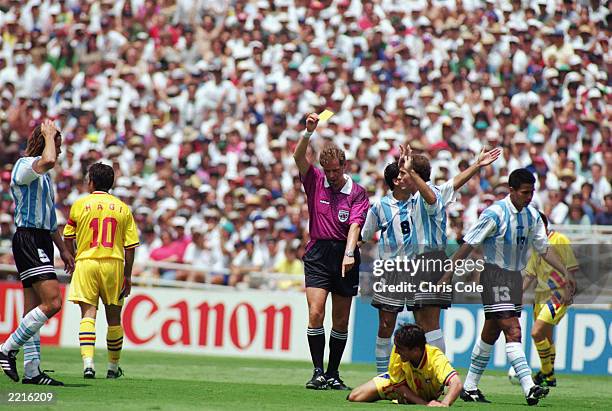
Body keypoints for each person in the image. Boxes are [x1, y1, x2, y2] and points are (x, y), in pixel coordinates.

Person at [362, 146, 501, 373]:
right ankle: (406, 376)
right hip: (413, 264)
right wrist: (476, 165)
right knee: (415, 325)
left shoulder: (429, 195)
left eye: (405, 172)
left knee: (430, 326)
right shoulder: (402, 201)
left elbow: (434, 194)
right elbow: (456, 181)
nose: (401, 176)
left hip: (430, 261)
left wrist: (413, 173)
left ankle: (440, 375)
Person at [443, 168, 575, 405]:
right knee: (513, 331)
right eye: (525, 192)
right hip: (494, 275)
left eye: (532, 192)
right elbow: (469, 243)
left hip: (514, 277)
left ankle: (470, 386)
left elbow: (544, 248)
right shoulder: (494, 213)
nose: (529, 197)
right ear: (512, 190)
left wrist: (564, 270)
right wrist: (449, 271)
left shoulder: (533, 216)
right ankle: (529, 387)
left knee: (491, 332)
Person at [293, 113, 369, 390]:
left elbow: (355, 225)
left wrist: (349, 253)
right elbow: (298, 158)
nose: (332, 176)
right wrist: (307, 133)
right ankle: (317, 371)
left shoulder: (357, 192)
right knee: (315, 312)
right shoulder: (314, 180)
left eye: (336, 171)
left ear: (344, 166)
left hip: (344, 254)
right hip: (318, 253)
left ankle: (334, 372)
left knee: (341, 319)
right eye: (329, 171)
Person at [0, 120, 75, 386]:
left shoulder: (45, 176)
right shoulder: (24, 166)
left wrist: (63, 250)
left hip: (41, 238)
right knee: (53, 302)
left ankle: (32, 372)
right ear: (46, 143)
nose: (60, 150)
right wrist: (48, 134)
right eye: (58, 144)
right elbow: (50, 160)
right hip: (29, 238)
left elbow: (49, 219)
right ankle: (6, 348)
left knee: (32, 310)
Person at [63, 163, 140, 379]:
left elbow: (68, 236)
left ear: (91, 182)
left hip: (86, 262)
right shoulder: (123, 208)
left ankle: (88, 364)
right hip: (113, 264)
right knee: (114, 318)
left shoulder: (80, 204)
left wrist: (70, 257)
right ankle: (113, 368)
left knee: (88, 314)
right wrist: (127, 275)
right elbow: (130, 247)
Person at [524, 212, 579, 387]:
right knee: (546, 337)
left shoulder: (559, 239)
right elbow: (530, 274)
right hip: (539, 297)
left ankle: (546, 372)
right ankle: (549, 376)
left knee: (536, 332)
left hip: (557, 293)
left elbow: (571, 267)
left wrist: (568, 291)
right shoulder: (536, 246)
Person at [347, 324, 462, 407]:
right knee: (355, 396)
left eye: (400, 349)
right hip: (404, 385)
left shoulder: (435, 357)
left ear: (416, 350)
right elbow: (399, 386)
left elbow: (456, 383)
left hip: (428, 392)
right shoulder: (397, 351)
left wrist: (445, 403)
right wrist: (424, 404)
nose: (396, 351)